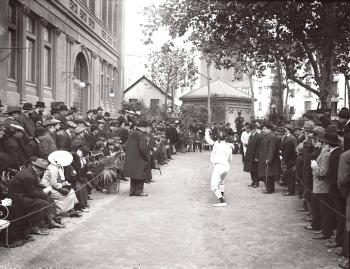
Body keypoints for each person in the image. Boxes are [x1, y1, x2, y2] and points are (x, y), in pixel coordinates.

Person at [205, 127, 232, 207]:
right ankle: (222, 195)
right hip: (226, 166)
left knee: (213, 185)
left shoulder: (216, 144)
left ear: (219, 139)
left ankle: (222, 201)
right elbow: (230, 159)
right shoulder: (229, 147)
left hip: (219, 166)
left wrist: (206, 131)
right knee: (221, 181)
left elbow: (208, 140)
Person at [124, 121, 152, 196]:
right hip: (140, 158)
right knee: (141, 174)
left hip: (131, 158)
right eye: (145, 128)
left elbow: (126, 145)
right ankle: (139, 191)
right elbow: (143, 148)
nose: (146, 129)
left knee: (134, 175)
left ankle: (132, 191)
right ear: (143, 127)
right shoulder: (141, 135)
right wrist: (147, 157)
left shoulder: (131, 133)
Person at [257, 123, 281, 194]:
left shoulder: (272, 136)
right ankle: (268, 188)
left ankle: (269, 189)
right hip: (265, 158)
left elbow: (272, 148)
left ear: (269, 129)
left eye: (264, 129)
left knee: (269, 175)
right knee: (266, 174)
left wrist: (269, 158)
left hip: (269, 159)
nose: (263, 130)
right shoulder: (267, 135)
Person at [244, 122, 262, 188]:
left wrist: (257, 157)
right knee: (251, 170)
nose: (250, 131)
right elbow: (249, 145)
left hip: (254, 156)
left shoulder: (258, 136)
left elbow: (259, 148)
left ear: (255, 129)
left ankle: (256, 183)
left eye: (251, 129)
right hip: (250, 155)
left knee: (255, 170)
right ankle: (253, 181)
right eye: (250, 129)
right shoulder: (251, 136)